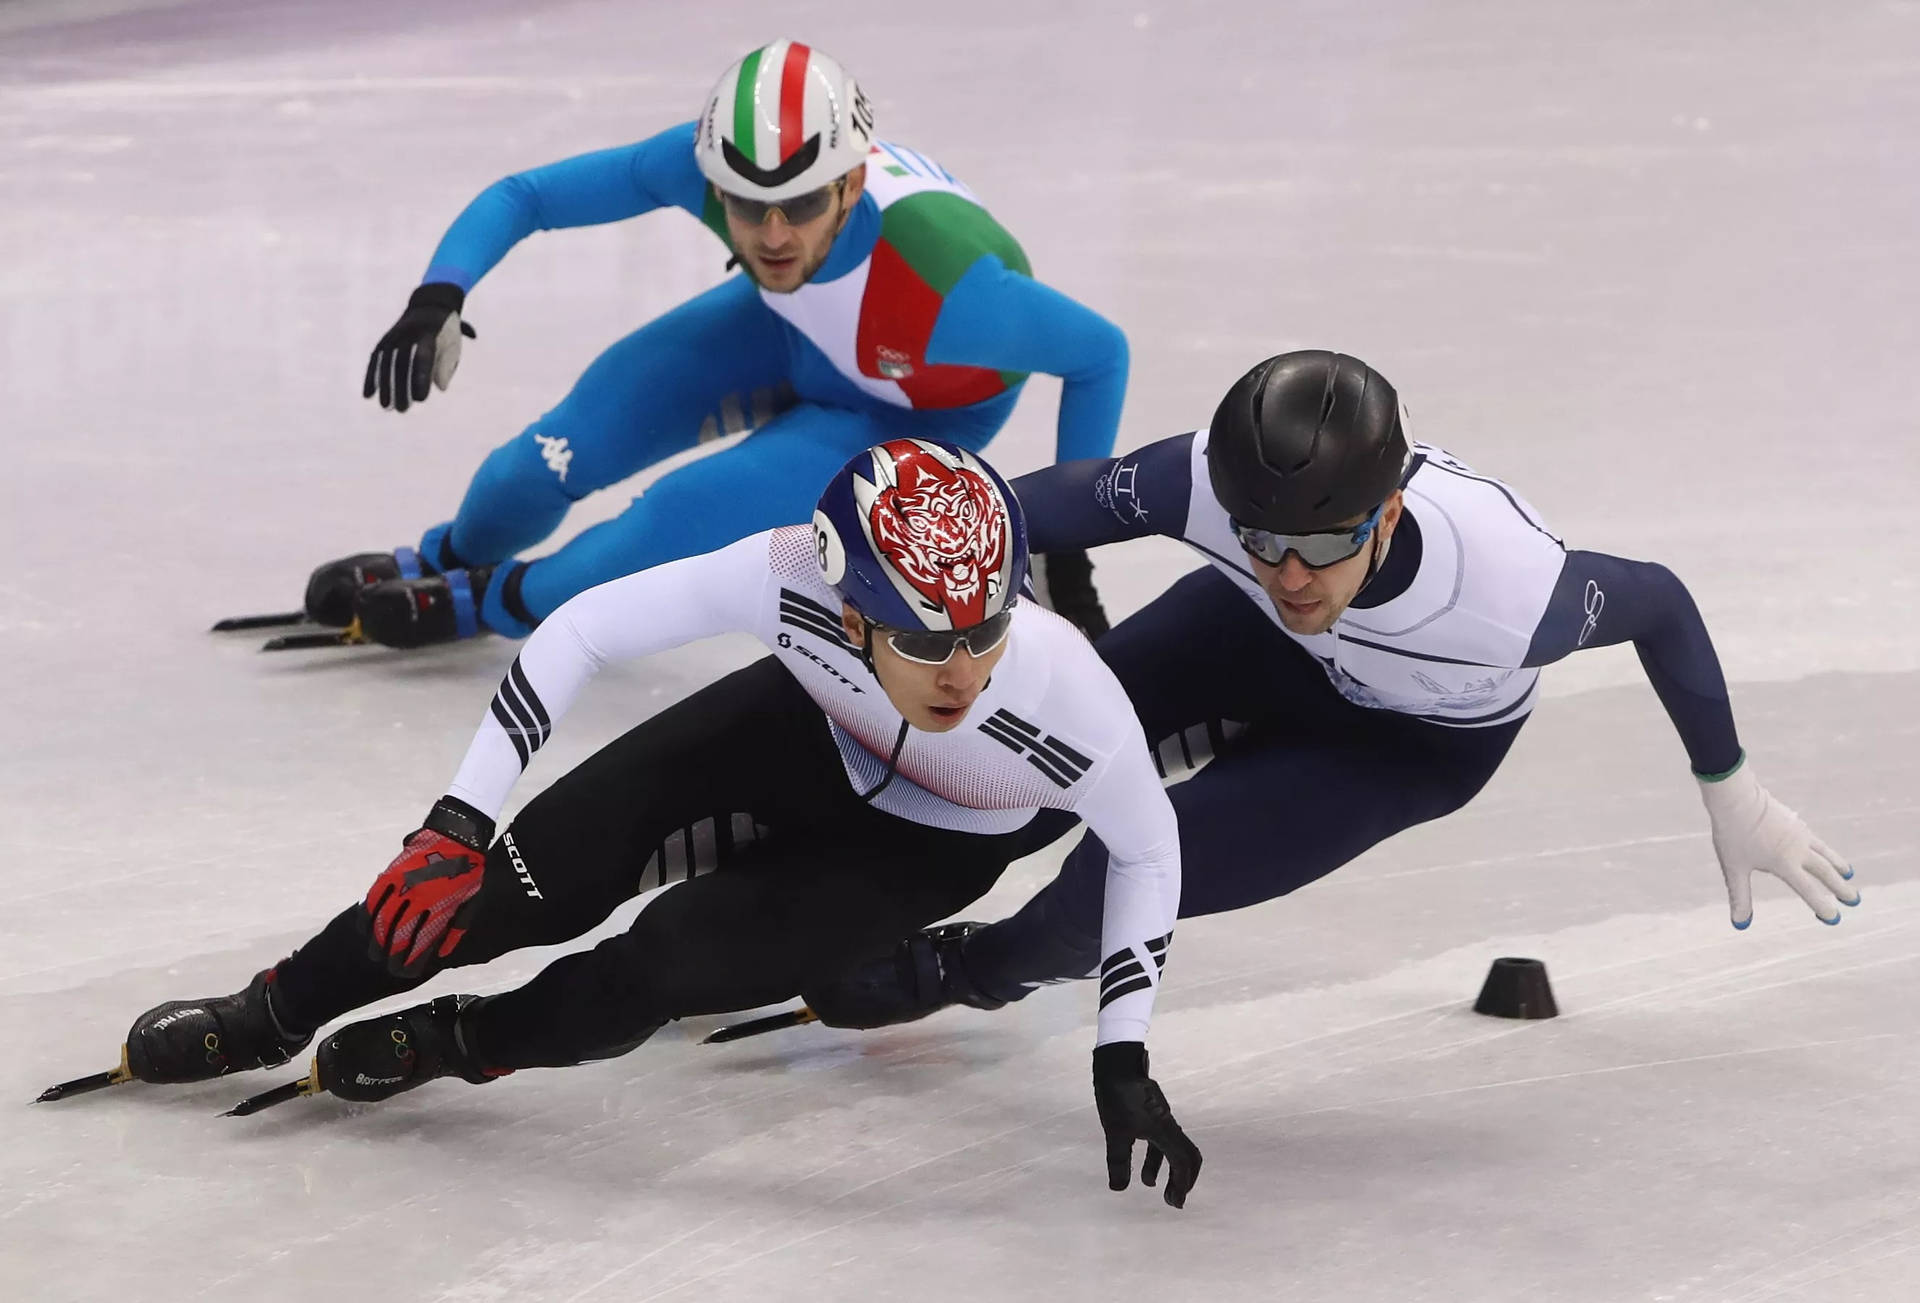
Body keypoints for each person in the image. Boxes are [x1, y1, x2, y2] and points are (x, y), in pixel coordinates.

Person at [114, 440, 1200, 1208]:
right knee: (492, 890)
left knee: (660, 967)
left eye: (985, 628)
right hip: (792, 738)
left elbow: (1150, 849)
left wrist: (1122, 1055)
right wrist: (458, 817)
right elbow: (584, 627)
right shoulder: (790, 574)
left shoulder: (1067, 702)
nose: (962, 672)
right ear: (851, 604)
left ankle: (463, 1041)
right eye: (924, 640)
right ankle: (273, 1008)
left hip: (926, 849)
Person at [789, 350, 1858, 1031]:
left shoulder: (1503, 594)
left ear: (1386, 515)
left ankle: (969, 973)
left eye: (1320, 547)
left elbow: (1662, 602)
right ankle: (823, 884)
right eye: (1262, 542)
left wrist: (1734, 790)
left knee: (1117, 878)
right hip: (1246, 645)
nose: (1291, 574)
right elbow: (1025, 506)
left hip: (1406, 743)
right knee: (1008, 755)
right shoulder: (1211, 484)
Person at [305, 39, 1117, 648]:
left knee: (671, 521)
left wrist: (1069, 544)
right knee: (548, 455)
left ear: (851, 185)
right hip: (784, 327)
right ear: (715, 179)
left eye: (799, 204)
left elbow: (1100, 354)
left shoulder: (955, 289)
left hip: (906, 402)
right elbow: (528, 195)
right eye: (744, 203)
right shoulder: (711, 178)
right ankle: (445, 553)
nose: (770, 233)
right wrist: (439, 294)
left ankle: (493, 601)